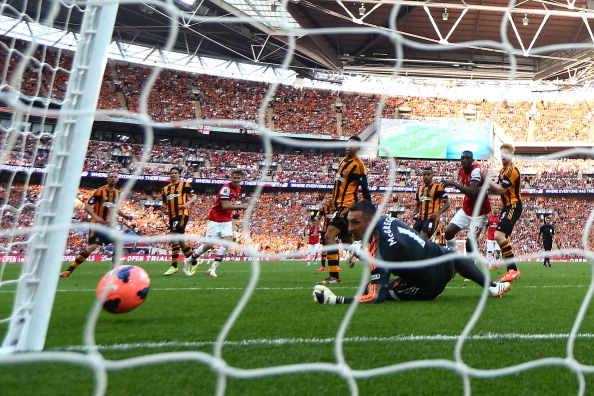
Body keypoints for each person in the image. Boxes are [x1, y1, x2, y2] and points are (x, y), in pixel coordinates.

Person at [312, 201, 511, 304]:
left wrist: (335, 300)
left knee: (371, 290)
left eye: (355, 223)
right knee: (453, 255)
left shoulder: (380, 249)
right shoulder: (387, 220)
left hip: (427, 287)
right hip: (447, 263)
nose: (350, 228)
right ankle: (492, 286)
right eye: (349, 222)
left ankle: (426, 291)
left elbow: (375, 298)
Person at [319, 135, 371, 285]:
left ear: (358, 148)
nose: (349, 146)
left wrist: (370, 207)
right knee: (350, 243)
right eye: (348, 144)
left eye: (353, 145)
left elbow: (365, 188)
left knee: (328, 237)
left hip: (346, 207)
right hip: (337, 206)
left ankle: (334, 277)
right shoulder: (343, 161)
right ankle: (380, 264)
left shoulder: (358, 165)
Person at [60, 172, 133, 277]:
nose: (113, 179)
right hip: (97, 225)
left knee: (118, 242)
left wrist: (125, 215)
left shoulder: (117, 193)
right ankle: (69, 271)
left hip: (109, 225)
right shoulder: (100, 191)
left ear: (118, 179)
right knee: (92, 247)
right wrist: (96, 217)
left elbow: (114, 207)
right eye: (111, 177)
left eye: (115, 177)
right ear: (107, 179)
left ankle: (113, 272)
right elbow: (87, 206)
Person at [184, 169, 248, 277]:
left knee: (227, 243)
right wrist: (241, 206)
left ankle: (212, 269)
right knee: (209, 245)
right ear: (231, 177)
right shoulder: (226, 189)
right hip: (215, 218)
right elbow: (225, 206)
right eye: (234, 177)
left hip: (226, 219)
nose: (236, 180)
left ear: (242, 179)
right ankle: (188, 260)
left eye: (238, 178)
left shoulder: (239, 188)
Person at [442, 150, 491, 256]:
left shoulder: (476, 170)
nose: (464, 160)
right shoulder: (461, 171)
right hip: (466, 209)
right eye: (462, 158)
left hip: (480, 213)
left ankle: (471, 268)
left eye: (467, 158)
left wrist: (453, 183)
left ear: (472, 160)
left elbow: (472, 192)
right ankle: (454, 260)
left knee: (469, 244)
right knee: (449, 232)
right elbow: (466, 189)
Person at [487, 143, 522, 282]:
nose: (503, 158)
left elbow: (501, 190)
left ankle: (513, 269)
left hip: (513, 206)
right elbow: (497, 188)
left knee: (498, 235)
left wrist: (487, 180)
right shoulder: (502, 171)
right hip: (506, 207)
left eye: (506, 155)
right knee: (500, 238)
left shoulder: (512, 171)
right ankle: (511, 270)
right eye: (502, 155)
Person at [161, 166, 197, 276]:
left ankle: (174, 266)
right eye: (172, 173)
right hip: (172, 216)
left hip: (181, 214)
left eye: (175, 173)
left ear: (178, 174)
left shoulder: (184, 185)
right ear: (169, 174)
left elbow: (194, 196)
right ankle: (195, 262)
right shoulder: (165, 189)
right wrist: (163, 209)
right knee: (181, 242)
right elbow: (165, 203)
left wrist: (186, 204)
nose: (173, 174)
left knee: (174, 238)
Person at [412, 167, 450, 240]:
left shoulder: (438, 187)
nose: (426, 176)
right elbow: (418, 204)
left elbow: (447, 203)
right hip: (421, 218)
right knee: (412, 237)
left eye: (428, 174)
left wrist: (438, 213)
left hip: (432, 218)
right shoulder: (419, 189)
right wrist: (414, 212)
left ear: (432, 175)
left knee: (423, 237)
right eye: (424, 175)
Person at [313, 200, 335, 272]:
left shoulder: (337, 207)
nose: (330, 199)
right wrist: (315, 230)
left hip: (335, 230)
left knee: (335, 247)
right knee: (324, 248)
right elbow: (318, 218)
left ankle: (336, 265)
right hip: (325, 230)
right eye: (329, 197)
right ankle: (323, 266)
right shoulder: (324, 208)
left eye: (331, 197)